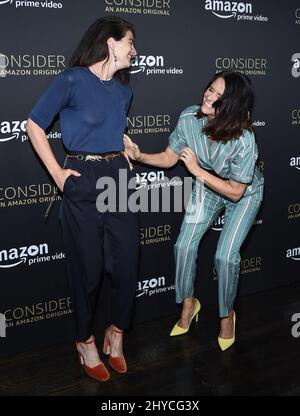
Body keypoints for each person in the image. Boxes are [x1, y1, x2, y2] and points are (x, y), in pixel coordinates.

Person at [26, 16, 139, 381]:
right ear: (110, 43)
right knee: (87, 269)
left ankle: (117, 334)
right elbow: (34, 124)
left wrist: (125, 144)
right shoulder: (71, 80)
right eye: (130, 44)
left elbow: (112, 127)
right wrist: (58, 175)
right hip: (82, 179)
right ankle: (85, 341)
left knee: (126, 265)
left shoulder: (124, 90)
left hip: (119, 178)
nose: (135, 52)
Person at [124, 70, 264, 351]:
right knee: (183, 246)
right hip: (209, 184)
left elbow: (236, 190)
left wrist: (197, 171)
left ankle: (227, 316)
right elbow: (168, 157)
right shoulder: (189, 118)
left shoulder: (244, 139)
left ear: (233, 105)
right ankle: (189, 304)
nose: (209, 96)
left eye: (218, 95)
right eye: (210, 88)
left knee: (225, 257)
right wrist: (139, 156)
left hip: (244, 193)